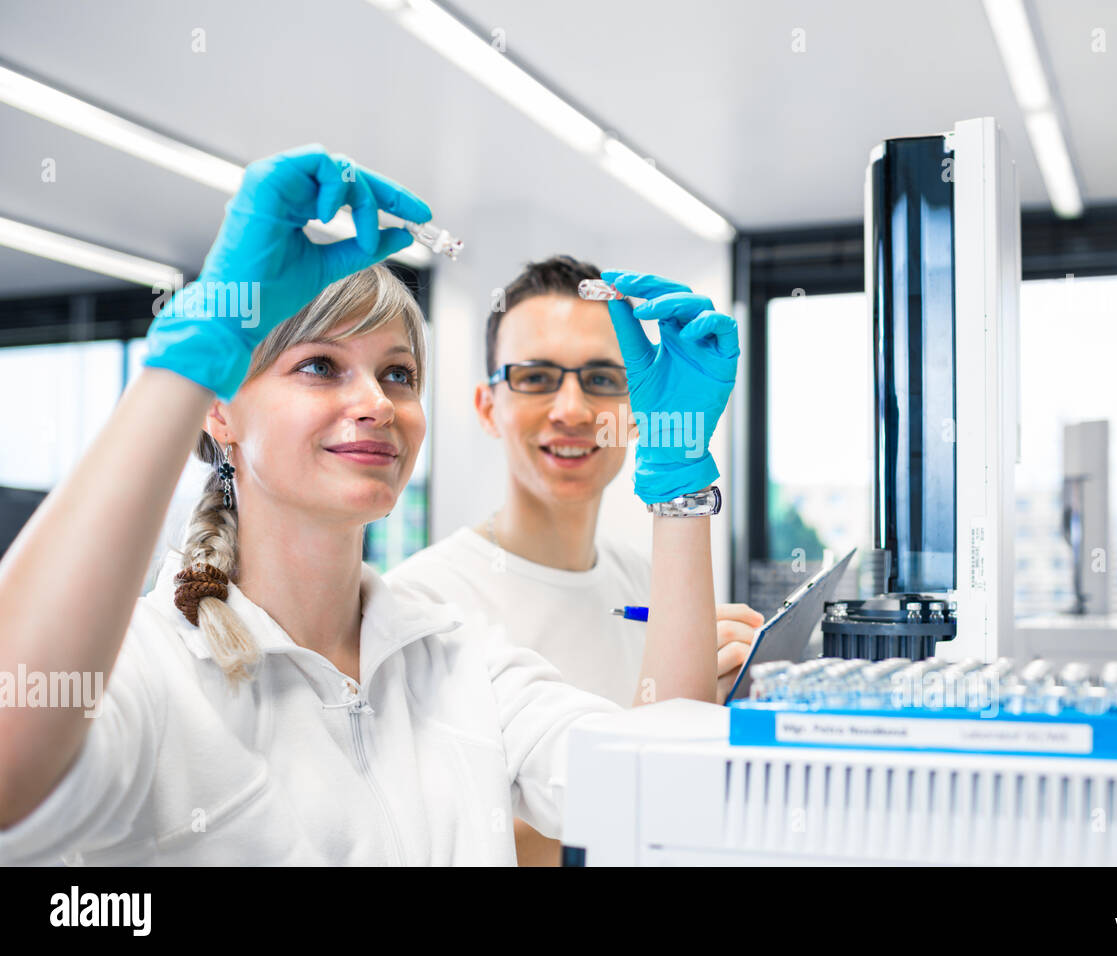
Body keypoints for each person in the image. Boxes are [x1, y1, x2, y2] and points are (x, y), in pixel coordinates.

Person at [0, 144, 738, 865]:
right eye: (320, 366)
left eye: (398, 373)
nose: (376, 403)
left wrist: (677, 490)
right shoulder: (155, 670)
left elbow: (663, 800)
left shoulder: (459, 661)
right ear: (220, 412)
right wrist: (187, 360)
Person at [385, 255, 762, 865]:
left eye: (603, 379)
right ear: (488, 407)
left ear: (641, 404)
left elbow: (676, 798)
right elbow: (448, 841)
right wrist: (668, 735)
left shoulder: (649, 577)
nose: (572, 410)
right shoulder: (419, 604)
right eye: (535, 378)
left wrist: (711, 704)